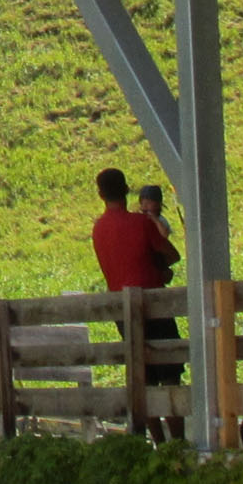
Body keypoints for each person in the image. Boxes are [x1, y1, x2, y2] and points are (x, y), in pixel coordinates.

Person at [91, 167, 182, 438]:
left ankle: (158, 442)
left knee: (144, 377)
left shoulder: (99, 229)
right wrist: (159, 268)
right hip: (154, 305)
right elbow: (172, 254)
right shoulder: (141, 224)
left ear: (100, 195)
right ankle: (178, 442)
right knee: (169, 377)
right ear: (128, 189)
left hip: (122, 309)